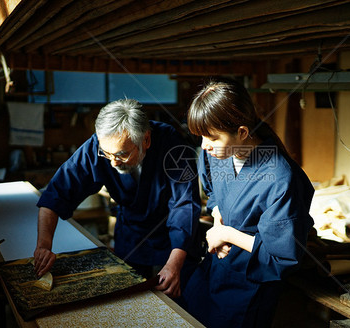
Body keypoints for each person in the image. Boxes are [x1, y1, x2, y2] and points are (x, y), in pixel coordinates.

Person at [34, 98, 201, 298]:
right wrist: (44, 245)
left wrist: (174, 264)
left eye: (122, 154)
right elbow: (56, 193)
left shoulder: (172, 145)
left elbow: (185, 205)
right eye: (107, 154)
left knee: (179, 302)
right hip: (131, 234)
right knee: (130, 298)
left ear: (146, 140)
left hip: (174, 237)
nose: (113, 162)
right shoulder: (99, 145)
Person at [181, 78, 315, 327]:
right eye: (201, 137)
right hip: (215, 265)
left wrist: (227, 234)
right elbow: (214, 192)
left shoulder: (280, 178)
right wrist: (218, 218)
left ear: (242, 132)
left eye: (211, 138)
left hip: (250, 283)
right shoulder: (219, 152)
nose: (204, 146)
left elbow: (281, 257)